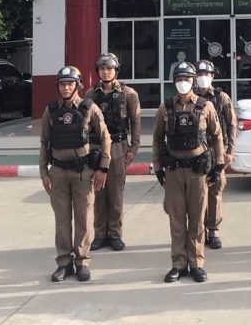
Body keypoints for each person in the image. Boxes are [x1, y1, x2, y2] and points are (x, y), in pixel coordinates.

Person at [153, 61, 225, 283]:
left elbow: (217, 136)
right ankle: (178, 264)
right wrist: (158, 168)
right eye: (179, 79)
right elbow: (157, 139)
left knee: (196, 220)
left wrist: (218, 165)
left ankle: (196, 264)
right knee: (176, 220)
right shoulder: (166, 108)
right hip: (174, 171)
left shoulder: (206, 106)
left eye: (186, 79)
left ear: (192, 81)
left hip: (197, 171)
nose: (182, 83)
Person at [38, 66, 109, 283]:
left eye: (70, 83)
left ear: (78, 85)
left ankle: (82, 262)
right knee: (61, 219)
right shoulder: (51, 110)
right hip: (58, 172)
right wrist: (44, 172)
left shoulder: (89, 108)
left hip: (83, 173)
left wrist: (102, 168)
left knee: (83, 219)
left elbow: (105, 137)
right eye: (62, 84)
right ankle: (64, 263)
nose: (66, 88)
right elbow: (44, 142)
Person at [85, 53, 141, 252]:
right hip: (96, 146)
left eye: (109, 68)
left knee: (115, 193)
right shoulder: (90, 95)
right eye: (102, 68)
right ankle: (100, 234)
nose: (105, 72)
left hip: (118, 146)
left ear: (116, 70)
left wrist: (134, 147)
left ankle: (115, 234)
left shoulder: (128, 94)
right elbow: (85, 123)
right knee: (98, 192)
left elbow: (135, 122)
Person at [193, 59, 236, 250]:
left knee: (215, 190)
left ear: (212, 76)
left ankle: (213, 230)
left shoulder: (221, 97)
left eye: (206, 74)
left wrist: (230, 150)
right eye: (199, 74)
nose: (203, 77)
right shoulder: (190, 96)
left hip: (216, 150)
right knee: (197, 192)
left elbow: (231, 124)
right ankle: (199, 228)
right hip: (196, 152)